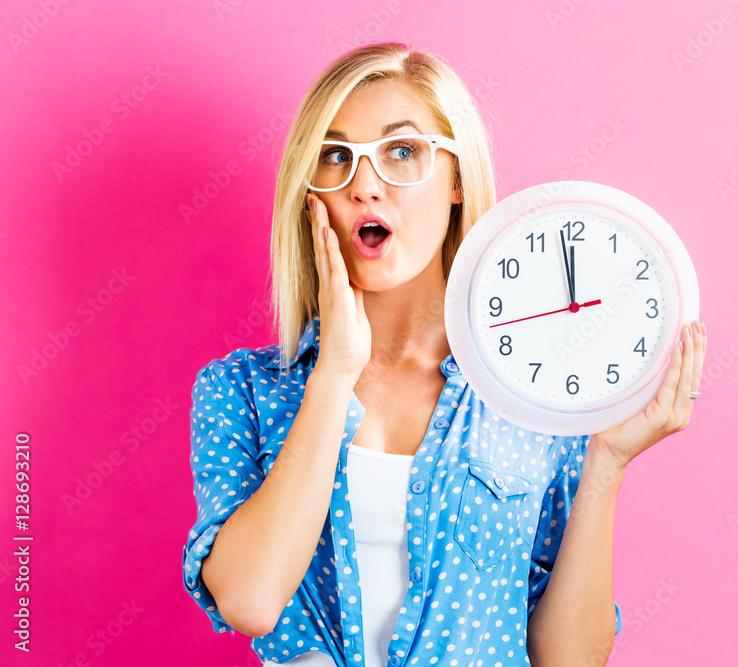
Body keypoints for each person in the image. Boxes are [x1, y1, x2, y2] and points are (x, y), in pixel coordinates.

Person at [182, 42, 707, 667]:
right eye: (335, 156)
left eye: (402, 151)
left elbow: (568, 658)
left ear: (457, 180)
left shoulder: (531, 393)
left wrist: (607, 463)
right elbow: (250, 600)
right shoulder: (241, 390)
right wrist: (335, 373)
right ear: (308, 191)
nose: (366, 186)